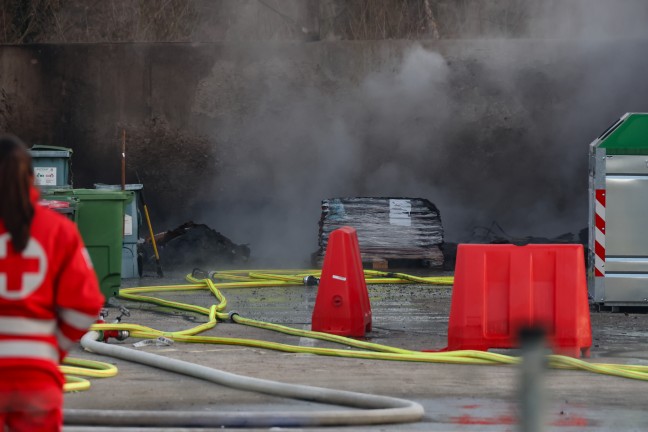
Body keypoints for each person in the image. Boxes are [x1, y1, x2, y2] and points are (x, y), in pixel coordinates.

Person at [0, 135, 104, 431]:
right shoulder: (58, 230)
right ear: (32, 178)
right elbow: (86, 305)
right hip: (36, 376)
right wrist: (50, 349)